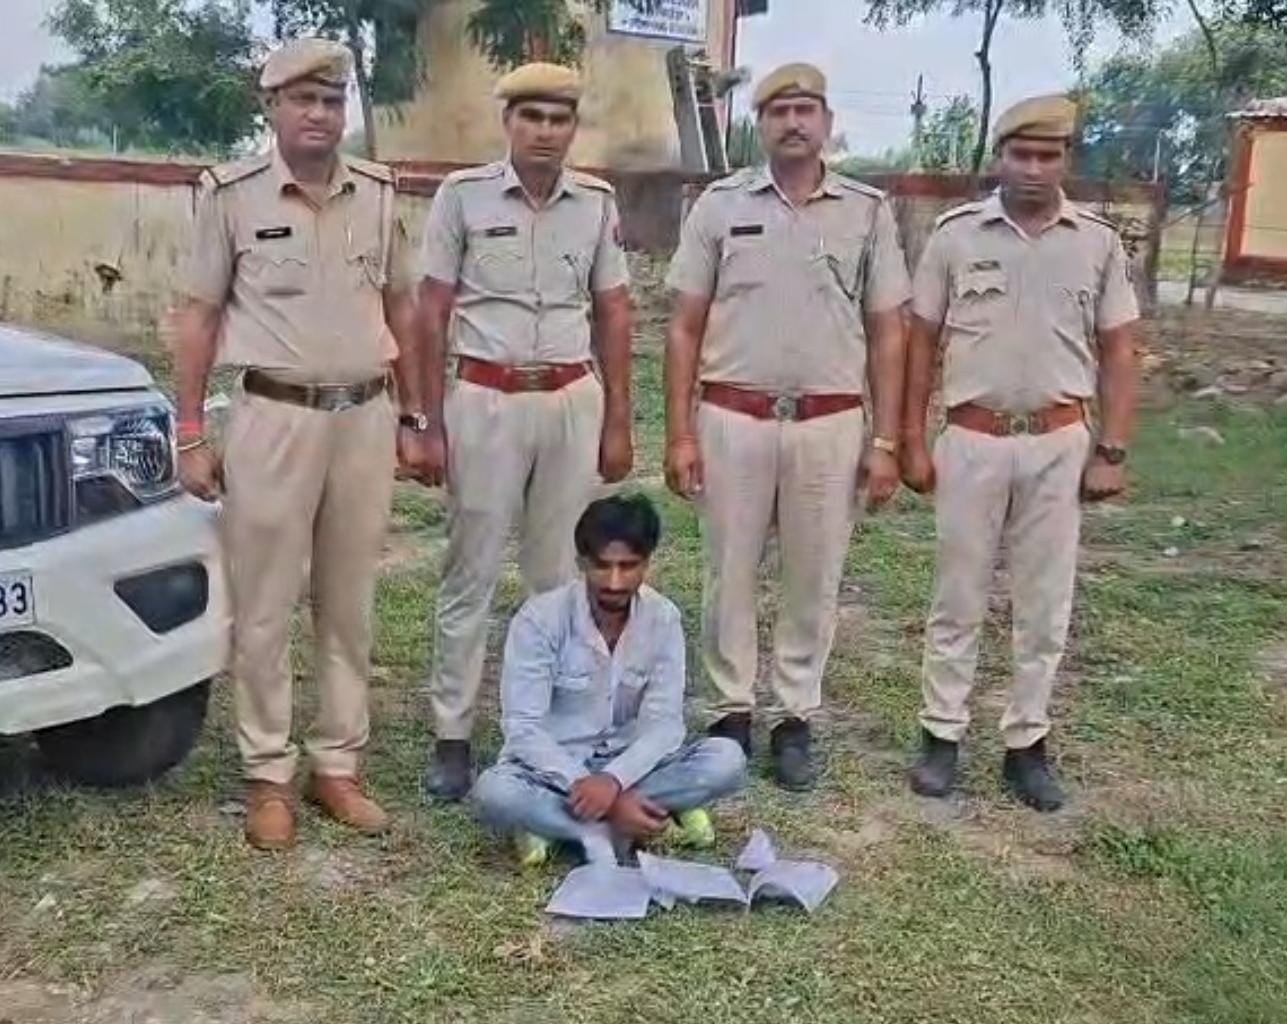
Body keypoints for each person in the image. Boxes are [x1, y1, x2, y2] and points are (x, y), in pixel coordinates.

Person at [173, 39, 429, 850]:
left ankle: (337, 765)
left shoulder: (378, 195)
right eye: (302, 100)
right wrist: (189, 431)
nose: (319, 114)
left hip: (364, 417)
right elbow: (198, 315)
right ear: (272, 107)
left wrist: (417, 418)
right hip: (272, 417)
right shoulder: (230, 195)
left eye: (331, 100)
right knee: (264, 605)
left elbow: (403, 307)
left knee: (349, 603)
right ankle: (267, 774)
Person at [663, 63, 910, 791]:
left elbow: (888, 331)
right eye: (778, 111)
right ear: (760, 124)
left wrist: (887, 440)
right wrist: (679, 433)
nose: (793, 122)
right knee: (728, 572)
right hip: (732, 417)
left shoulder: (866, 212)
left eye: (805, 110)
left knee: (814, 574)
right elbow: (684, 326)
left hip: (827, 423)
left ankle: (794, 716)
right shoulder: (719, 206)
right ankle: (731, 711)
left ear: (827, 122)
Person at [901, 95, 1140, 812]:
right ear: (998, 159)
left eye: (1048, 155)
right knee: (958, 596)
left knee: (1044, 603)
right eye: (1021, 154)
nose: (1034, 169)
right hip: (972, 438)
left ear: (1066, 160)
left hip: (1058, 442)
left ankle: (1026, 744)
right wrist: (910, 437)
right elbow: (920, 341)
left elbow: (1118, 348)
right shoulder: (955, 235)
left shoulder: (1095, 242)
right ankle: (941, 735)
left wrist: (1112, 449)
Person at [415, 62, 634, 801]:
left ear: (574, 127)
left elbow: (613, 312)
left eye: (559, 118)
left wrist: (618, 421)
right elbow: (430, 309)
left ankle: (550, 730)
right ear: (507, 122)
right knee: (470, 570)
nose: (545, 131)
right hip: (486, 397)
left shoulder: (595, 204)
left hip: (570, 398)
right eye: (531, 117)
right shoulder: (463, 196)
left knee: (559, 577)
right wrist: (424, 420)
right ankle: (452, 734)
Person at [472, 494, 747, 866]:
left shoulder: (663, 619)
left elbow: (665, 725)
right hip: (557, 772)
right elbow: (523, 729)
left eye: (628, 566)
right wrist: (600, 795)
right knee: (494, 792)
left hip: (632, 767)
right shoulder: (539, 620)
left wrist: (615, 781)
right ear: (581, 563)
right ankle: (609, 826)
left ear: (647, 563)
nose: (615, 582)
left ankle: (556, 824)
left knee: (727, 759)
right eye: (602, 566)